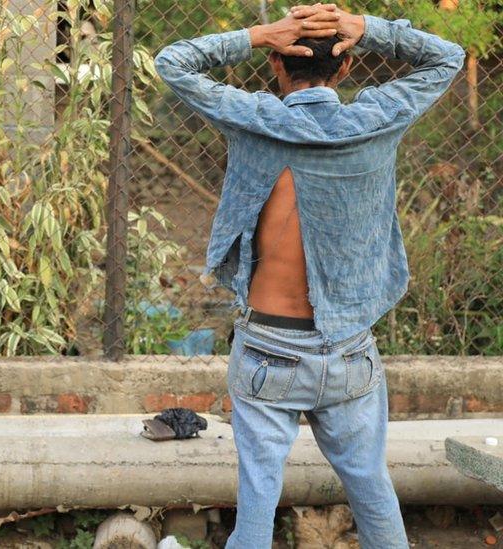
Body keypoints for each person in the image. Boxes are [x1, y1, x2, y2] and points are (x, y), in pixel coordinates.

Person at [155, 3, 463, 548]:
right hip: (348, 353)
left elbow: (174, 61)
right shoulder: (377, 118)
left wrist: (256, 34)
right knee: (371, 489)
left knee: (256, 506)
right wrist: (364, 28)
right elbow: (447, 59)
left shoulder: (253, 118)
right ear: (344, 67)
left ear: (276, 64)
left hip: (267, 351)